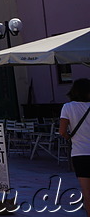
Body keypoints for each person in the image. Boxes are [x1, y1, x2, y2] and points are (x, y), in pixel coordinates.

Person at [60, 78, 90, 217]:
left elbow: (62, 131)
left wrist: (71, 138)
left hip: (80, 153)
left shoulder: (68, 107)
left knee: (87, 193)